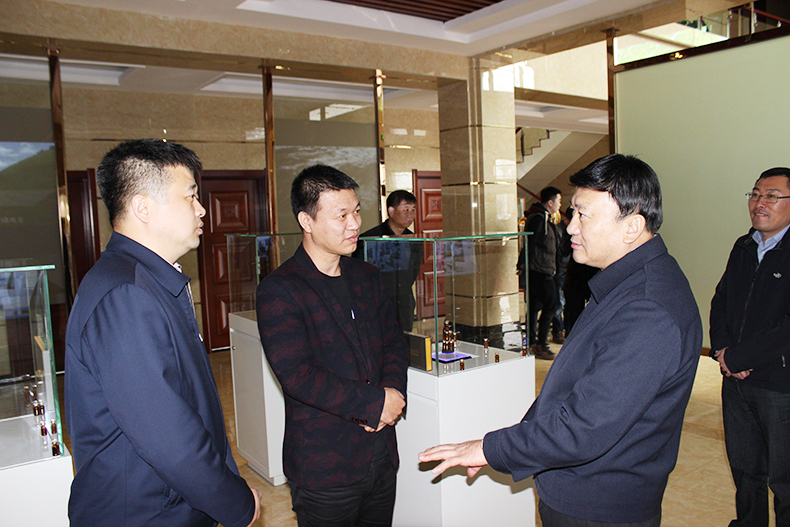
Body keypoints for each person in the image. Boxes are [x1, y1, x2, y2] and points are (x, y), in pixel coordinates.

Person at [419, 154, 702, 527]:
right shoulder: (627, 282)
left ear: (632, 226)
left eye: (584, 215)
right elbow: (571, 385)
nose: (570, 227)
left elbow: (586, 426)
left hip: (598, 504)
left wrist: (490, 448)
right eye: (571, 213)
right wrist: (508, 446)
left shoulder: (647, 309)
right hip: (583, 488)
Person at [65, 139, 260, 527]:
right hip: (147, 513)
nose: (201, 209)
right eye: (190, 196)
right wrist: (236, 504)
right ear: (143, 208)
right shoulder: (125, 294)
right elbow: (168, 437)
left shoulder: (146, 281)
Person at [256, 164, 409, 527]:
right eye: (341, 215)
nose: (354, 224)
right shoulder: (280, 289)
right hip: (325, 466)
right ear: (306, 221)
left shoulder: (367, 276)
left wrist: (393, 393)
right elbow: (299, 376)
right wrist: (374, 404)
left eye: (356, 212)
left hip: (381, 455)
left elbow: (393, 342)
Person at [710, 167, 790, 527]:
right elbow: (721, 301)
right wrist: (723, 349)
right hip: (736, 381)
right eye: (755, 194)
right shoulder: (744, 246)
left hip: (779, 384)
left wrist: (740, 357)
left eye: (772, 196)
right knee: (745, 470)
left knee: (785, 479)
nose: (760, 203)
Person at [352, 190, 422, 331]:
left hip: (404, 301)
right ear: (391, 211)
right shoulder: (371, 238)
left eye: (413, 210)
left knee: (404, 337)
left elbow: (413, 271)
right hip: (376, 302)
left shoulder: (414, 239)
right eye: (406, 209)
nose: (411, 215)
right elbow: (357, 273)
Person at [525, 186, 563, 360]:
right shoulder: (540, 219)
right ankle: (540, 344)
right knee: (551, 304)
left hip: (540, 269)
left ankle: (533, 342)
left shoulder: (542, 218)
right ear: (550, 202)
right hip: (540, 270)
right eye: (558, 201)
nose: (560, 205)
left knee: (535, 306)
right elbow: (532, 245)